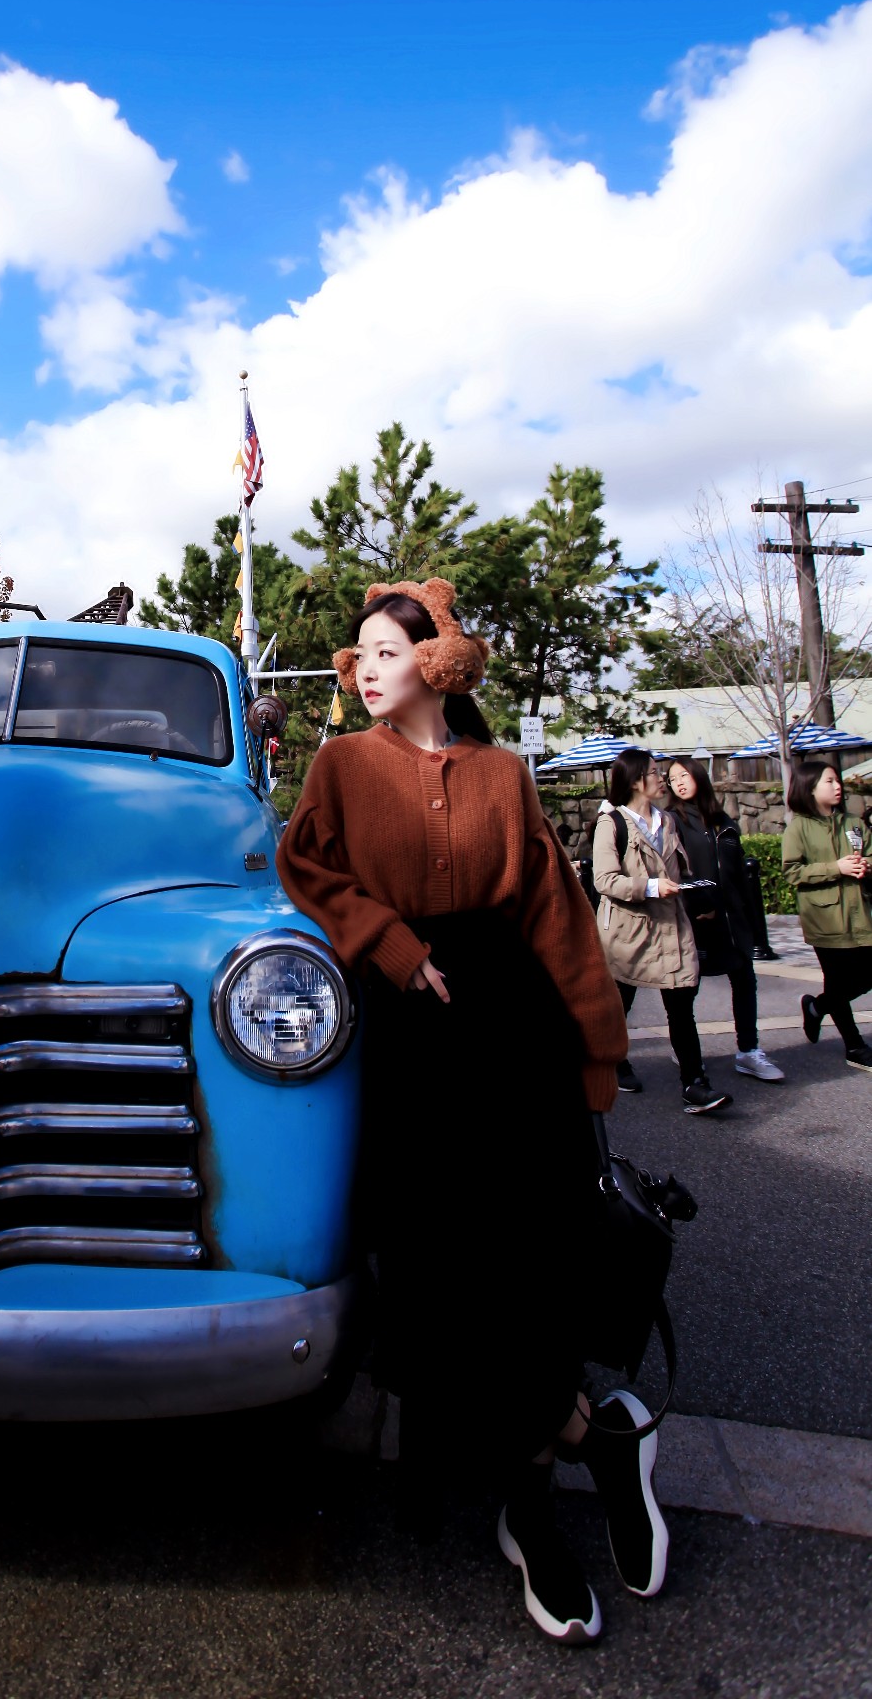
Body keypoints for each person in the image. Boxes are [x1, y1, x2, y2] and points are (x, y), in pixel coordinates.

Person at [276, 581, 667, 1648]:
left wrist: (597, 1051)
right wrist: (393, 948)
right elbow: (304, 865)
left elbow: (556, 915)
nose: (364, 664)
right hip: (409, 1039)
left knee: (528, 1265)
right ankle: (592, 1435)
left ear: (436, 663)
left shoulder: (502, 773)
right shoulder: (341, 765)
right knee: (437, 1270)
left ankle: (535, 1509)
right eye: (358, 651)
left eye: (385, 648)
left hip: (515, 1034)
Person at [592, 750, 732, 1114]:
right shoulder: (613, 823)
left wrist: (696, 894)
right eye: (655, 773)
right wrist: (652, 887)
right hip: (628, 932)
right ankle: (615, 1061)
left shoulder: (667, 821)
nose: (663, 779)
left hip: (671, 928)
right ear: (636, 780)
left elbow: (679, 871)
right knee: (620, 1004)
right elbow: (605, 880)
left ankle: (694, 1083)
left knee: (681, 1005)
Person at [666, 757, 784, 1083]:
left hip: (732, 921)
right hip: (697, 920)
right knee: (686, 991)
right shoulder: (671, 821)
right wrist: (696, 904)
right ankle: (686, 1052)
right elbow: (674, 870)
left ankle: (749, 1051)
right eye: (673, 778)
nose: (678, 782)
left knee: (744, 982)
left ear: (699, 777)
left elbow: (739, 874)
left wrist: (748, 919)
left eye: (684, 775)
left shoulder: (724, 821)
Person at [782, 760, 872, 1072]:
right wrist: (837, 868)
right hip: (825, 919)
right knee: (837, 980)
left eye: (837, 781)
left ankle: (816, 1006)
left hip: (861, 914)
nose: (837, 786)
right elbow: (792, 872)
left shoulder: (854, 822)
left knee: (861, 978)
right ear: (809, 788)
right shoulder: (798, 828)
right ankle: (855, 1045)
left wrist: (867, 865)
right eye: (829, 781)